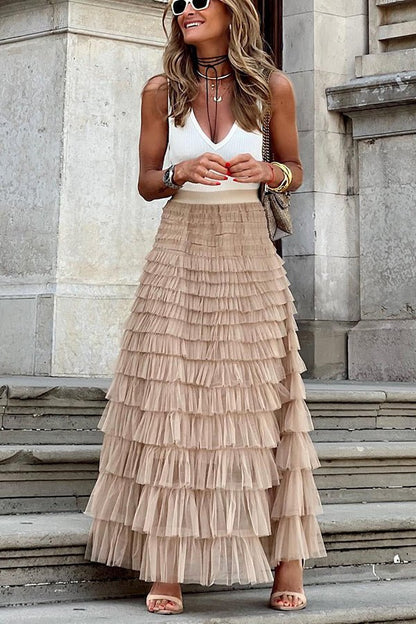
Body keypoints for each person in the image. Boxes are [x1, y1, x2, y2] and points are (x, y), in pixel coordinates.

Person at [83, 0, 327, 615]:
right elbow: (145, 181)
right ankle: (166, 566)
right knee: (172, 397)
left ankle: (286, 562)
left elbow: (297, 168)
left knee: (260, 396)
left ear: (232, 10)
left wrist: (269, 169)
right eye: (178, 3)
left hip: (248, 250)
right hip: (180, 246)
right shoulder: (161, 88)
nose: (187, 9)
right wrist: (179, 170)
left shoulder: (273, 86)